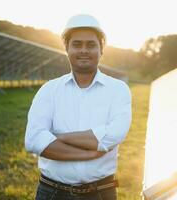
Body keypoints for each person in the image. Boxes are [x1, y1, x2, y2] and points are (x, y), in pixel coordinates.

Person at [25, 14, 132, 200]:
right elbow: (34, 140)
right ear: (66, 48)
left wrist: (57, 138)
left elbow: (115, 134)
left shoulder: (118, 89)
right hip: (52, 193)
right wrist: (90, 153)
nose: (84, 50)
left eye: (91, 44)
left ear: (101, 49)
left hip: (101, 193)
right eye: (77, 44)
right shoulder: (49, 90)